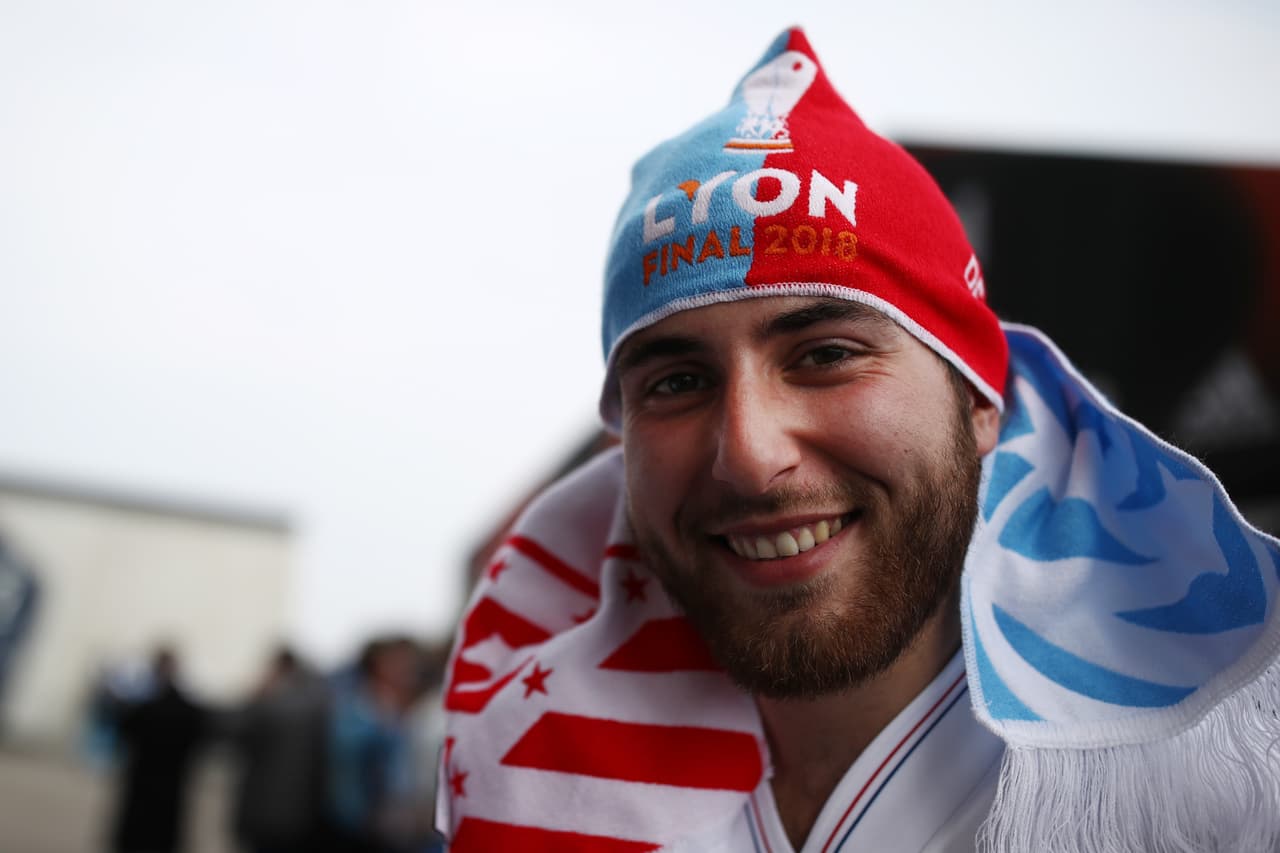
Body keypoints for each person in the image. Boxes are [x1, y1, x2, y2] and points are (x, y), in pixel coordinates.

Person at [436, 29, 1280, 853]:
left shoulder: (1219, 797)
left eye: (827, 355)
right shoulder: (524, 785)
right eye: (677, 381)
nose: (751, 455)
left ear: (980, 401)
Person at [228, 646, 330, 853]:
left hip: (263, 812)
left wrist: (256, 695)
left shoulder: (268, 702)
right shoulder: (321, 702)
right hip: (303, 813)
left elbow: (235, 732)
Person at [108, 647, 209, 853]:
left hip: (141, 787)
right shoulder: (188, 710)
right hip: (171, 791)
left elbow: (123, 730)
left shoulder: (145, 706)